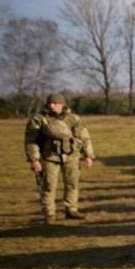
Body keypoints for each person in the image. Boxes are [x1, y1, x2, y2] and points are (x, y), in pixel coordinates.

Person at [24, 93, 95, 223]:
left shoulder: (73, 119)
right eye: (49, 103)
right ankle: (49, 214)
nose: (51, 105)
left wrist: (88, 156)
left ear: (62, 105)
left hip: (72, 156)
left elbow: (84, 137)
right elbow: (31, 140)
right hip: (49, 157)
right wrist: (34, 160)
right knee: (48, 186)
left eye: (55, 103)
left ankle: (71, 210)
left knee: (72, 184)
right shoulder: (39, 120)